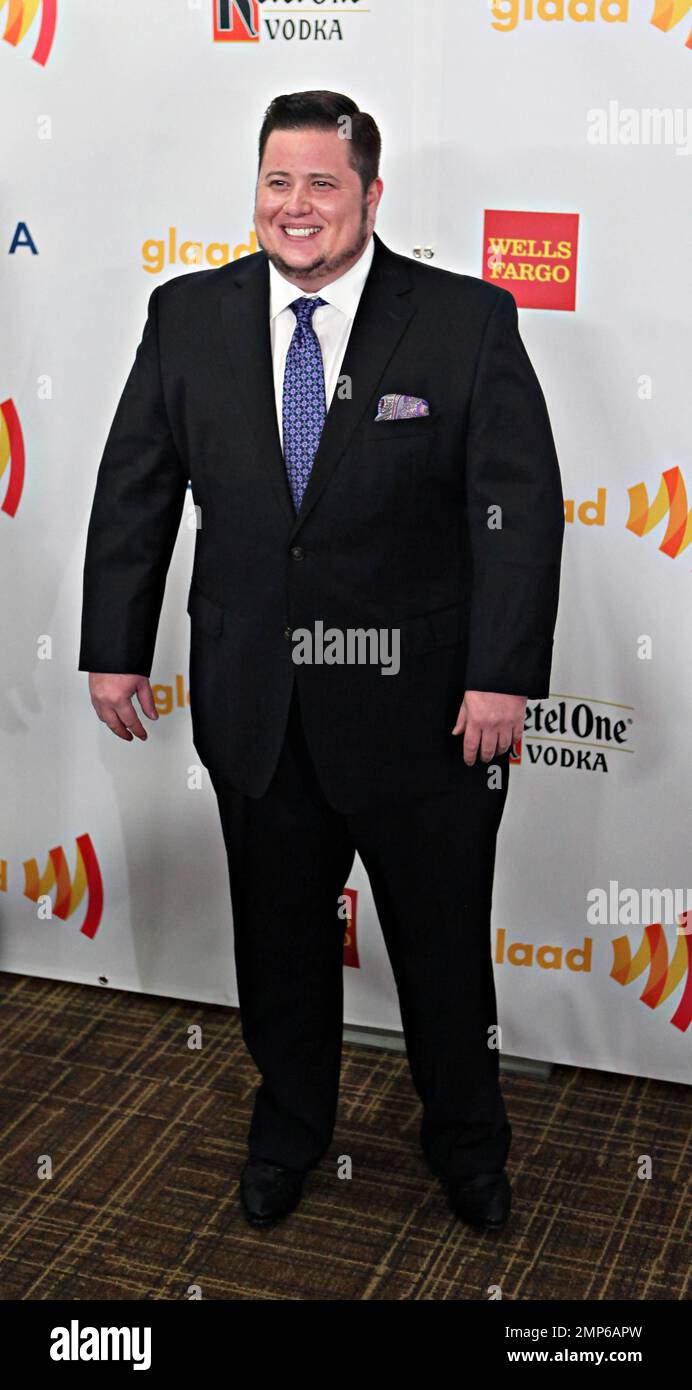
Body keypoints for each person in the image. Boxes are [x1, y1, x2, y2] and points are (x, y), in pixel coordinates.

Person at [79, 90, 565, 1234]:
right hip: (258, 707)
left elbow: (518, 507)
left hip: (429, 717)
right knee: (280, 952)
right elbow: (135, 492)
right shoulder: (187, 314)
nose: (295, 207)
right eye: (276, 182)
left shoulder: (464, 320)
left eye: (321, 184)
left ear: (371, 196)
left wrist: (499, 674)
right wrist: (113, 647)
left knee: (443, 956)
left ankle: (467, 1143)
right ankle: (289, 1129)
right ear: (255, 190)